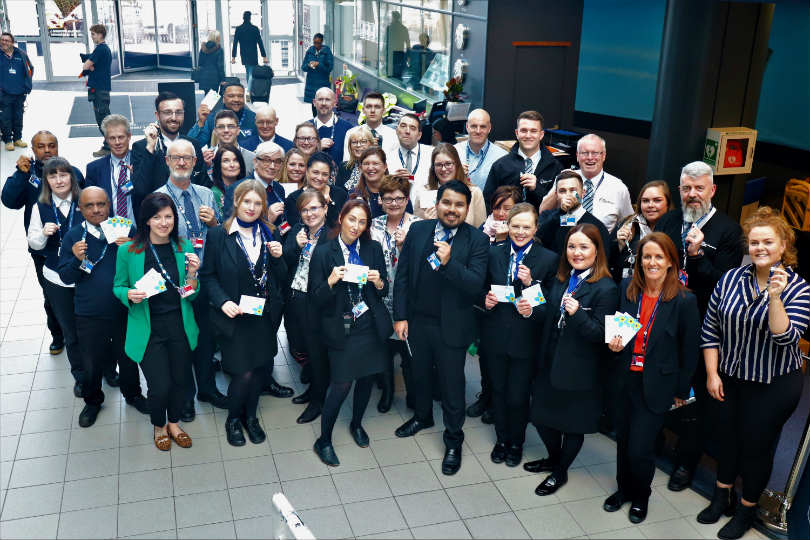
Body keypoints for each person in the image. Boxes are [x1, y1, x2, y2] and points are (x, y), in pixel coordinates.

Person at [698, 207, 809, 539]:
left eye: (768, 242)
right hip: (730, 376)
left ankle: (747, 510)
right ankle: (722, 496)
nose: (760, 248)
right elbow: (710, 330)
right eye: (755, 242)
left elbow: (786, 336)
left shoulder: (798, 288)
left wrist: (775, 297)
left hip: (774, 384)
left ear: (782, 245)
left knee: (756, 447)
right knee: (727, 438)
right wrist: (712, 374)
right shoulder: (731, 278)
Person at [656, 161, 744, 492]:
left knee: (693, 398)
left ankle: (685, 463)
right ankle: (654, 441)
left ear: (712, 190)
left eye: (699, 189)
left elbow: (725, 282)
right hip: (662, 317)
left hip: (701, 328)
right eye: (686, 188)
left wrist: (696, 256)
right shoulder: (669, 220)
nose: (692, 195)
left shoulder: (728, 230)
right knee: (658, 382)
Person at [393, 180, 489, 475]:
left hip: (453, 326)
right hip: (418, 321)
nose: (452, 210)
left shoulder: (477, 240)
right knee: (418, 374)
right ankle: (423, 417)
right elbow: (404, 276)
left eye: (460, 205)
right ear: (437, 204)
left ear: (467, 208)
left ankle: (453, 439)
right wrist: (400, 315)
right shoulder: (419, 230)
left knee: (451, 384)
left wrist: (448, 264)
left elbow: (474, 285)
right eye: (447, 203)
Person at [605, 232, 699, 524]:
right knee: (622, 441)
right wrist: (613, 344)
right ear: (639, 260)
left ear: (671, 262)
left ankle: (641, 495)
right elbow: (617, 331)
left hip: (657, 385)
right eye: (647, 256)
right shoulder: (627, 289)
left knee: (640, 447)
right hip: (625, 379)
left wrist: (682, 388)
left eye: (659, 256)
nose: (652, 262)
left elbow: (690, 348)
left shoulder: (684, 301)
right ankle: (623, 490)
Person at [526, 223, 618, 495]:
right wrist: (531, 301)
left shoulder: (606, 288)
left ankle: (560, 471)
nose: (576, 253)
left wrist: (578, 313)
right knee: (542, 418)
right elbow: (549, 314)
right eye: (571, 246)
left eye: (583, 247)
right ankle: (554, 458)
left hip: (580, 369)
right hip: (550, 361)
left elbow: (601, 334)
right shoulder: (562, 279)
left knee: (572, 425)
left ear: (597, 250)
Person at [201, 180, 288, 446]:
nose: (251, 207)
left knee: (260, 369)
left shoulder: (270, 233)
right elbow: (208, 276)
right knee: (243, 372)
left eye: (257, 202)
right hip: (234, 317)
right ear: (236, 202)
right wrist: (222, 301)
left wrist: (279, 257)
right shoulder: (218, 235)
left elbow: (281, 278)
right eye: (246, 201)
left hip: (262, 316)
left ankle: (251, 417)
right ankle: (233, 420)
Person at [113, 193, 200, 451]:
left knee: (181, 381)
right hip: (148, 328)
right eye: (157, 217)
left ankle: (174, 423)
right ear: (146, 221)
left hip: (180, 325)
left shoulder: (184, 246)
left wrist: (193, 275)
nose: (164, 222)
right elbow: (118, 286)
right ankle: (159, 425)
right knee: (160, 385)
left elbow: (191, 293)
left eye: (169, 216)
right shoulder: (128, 251)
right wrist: (127, 294)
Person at [309, 200, 392, 466]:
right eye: (352, 219)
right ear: (341, 217)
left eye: (362, 222)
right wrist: (331, 280)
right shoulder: (324, 252)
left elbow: (383, 291)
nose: (356, 226)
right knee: (342, 383)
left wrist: (379, 282)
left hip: (368, 321)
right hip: (342, 322)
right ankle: (323, 439)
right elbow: (315, 298)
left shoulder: (373, 248)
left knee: (366, 377)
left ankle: (356, 423)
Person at [58, 187, 149, 427]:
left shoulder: (125, 227)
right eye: (89, 205)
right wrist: (77, 260)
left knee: (128, 357)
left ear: (109, 205)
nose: (96, 210)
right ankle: (93, 400)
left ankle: (134, 395)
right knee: (91, 361)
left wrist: (133, 246)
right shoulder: (73, 237)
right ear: (80, 208)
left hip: (124, 308)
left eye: (101, 204)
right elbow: (66, 278)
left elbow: (146, 263)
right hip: (89, 312)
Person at [481, 203, 558, 467]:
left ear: (536, 228)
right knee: (499, 393)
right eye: (516, 226)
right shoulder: (494, 253)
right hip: (495, 337)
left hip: (526, 340)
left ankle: (516, 443)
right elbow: (479, 291)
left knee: (518, 396)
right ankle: (501, 440)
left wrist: (530, 284)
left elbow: (551, 305)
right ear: (507, 226)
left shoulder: (548, 259)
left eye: (527, 227)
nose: (520, 232)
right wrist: (485, 302)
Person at [155, 139, 228, 418]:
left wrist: (214, 223)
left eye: (187, 158)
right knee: (181, 340)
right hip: (177, 280)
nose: (182, 163)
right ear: (167, 161)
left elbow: (220, 232)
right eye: (176, 158)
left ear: (196, 162)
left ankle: (207, 389)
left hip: (206, 276)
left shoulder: (206, 194)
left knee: (206, 338)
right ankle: (184, 397)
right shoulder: (158, 197)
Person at [2, 131, 85, 355]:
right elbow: (9, 201)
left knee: (80, 291)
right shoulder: (26, 173)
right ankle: (58, 335)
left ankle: (81, 334)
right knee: (52, 296)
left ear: (58, 147)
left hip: (77, 250)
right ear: (33, 149)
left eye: (51, 145)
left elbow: (87, 202)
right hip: (44, 250)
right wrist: (20, 174)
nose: (47, 150)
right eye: (41, 146)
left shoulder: (72, 173)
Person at [27, 157, 85, 396]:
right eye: (53, 176)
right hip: (56, 278)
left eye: (64, 174)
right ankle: (81, 376)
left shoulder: (86, 201)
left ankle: (107, 370)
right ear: (47, 181)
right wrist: (42, 233)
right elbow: (34, 243)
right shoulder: (39, 207)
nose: (59, 180)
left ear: (72, 177)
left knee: (95, 327)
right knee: (70, 332)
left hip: (86, 275)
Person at [369, 175, 421, 412]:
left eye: (399, 198)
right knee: (383, 351)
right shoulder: (373, 226)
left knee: (409, 352)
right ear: (380, 200)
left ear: (407, 199)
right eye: (387, 198)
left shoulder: (418, 226)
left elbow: (423, 265)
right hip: (379, 296)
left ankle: (413, 394)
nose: (393, 203)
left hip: (407, 300)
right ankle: (388, 393)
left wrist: (404, 247)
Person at [282, 190, 331, 423]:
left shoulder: (333, 236)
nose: (310, 213)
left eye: (314, 208)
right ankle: (313, 390)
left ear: (325, 209)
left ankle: (318, 401)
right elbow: (284, 263)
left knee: (320, 353)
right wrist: (295, 247)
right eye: (305, 209)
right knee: (308, 350)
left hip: (320, 303)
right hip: (297, 300)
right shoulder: (296, 232)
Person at [540, 134, 633, 233]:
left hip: (601, 244)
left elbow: (629, 222)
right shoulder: (566, 178)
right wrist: (560, 184)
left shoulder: (618, 188)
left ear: (604, 156)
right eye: (584, 153)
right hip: (564, 241)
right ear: (577, 156)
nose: (589, 157)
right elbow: (543, 212)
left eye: (595, 153)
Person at [132, 92, 210, 192]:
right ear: (157, 115)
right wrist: (150, 148)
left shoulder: (193, 145)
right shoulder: (142, 147)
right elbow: (140, 189)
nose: (173, 118)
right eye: (167, 112)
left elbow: (204, 184)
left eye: (178, 112)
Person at [483, 110, 562, 210]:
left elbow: (558, 206)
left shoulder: (555, 167)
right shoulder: (500, 165)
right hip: (507, 224)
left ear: (541, 135)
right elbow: (488, 202)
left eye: (533, 131)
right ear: (517, 133)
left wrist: (537, 189)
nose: (528, 135)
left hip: (542, 224)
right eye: (524, 130)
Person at [85, 115, 148, 223]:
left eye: (121, 137)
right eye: (112, 138)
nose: (117, 142)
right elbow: (89, 204)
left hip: (139, 231)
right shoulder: (94, 169)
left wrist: (136, 178)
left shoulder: (143, 163)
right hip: (108, 232)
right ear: (106, 140)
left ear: (129, 136)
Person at [537, 170, 611, 257]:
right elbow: (538, 240)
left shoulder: (597, 226)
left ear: (583, 193)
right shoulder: (547, 217)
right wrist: (561, 212)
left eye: (573, 190)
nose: (568, 195)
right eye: (562, 191)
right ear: (556, 195)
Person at [609, 180, 673, 281]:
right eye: (645, 201)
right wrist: (617, 245)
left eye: (657, 200)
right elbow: (608, 262)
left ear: (668, 203)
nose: (650, 205)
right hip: (626, 290)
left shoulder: (676, 228)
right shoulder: (627, 224)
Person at [414, 143, 486, 227]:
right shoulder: (423, 192)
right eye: (439, 165)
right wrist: (427, 224)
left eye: (448, 164)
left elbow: (481, 231)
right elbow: (417, 232)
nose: (444, 169)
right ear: (433, 168)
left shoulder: (474, 192)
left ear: (457, 164)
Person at [284, 152, 348, 229]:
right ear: (307, 171)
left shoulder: (340, 194)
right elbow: (296, 228)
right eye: (315, 172)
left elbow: (342, 225)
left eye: (324, 174)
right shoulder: (294, 198)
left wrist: (330, 205)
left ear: (329, 175)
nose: (319, 178)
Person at [454, 109, 508, 192]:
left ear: (489, 128)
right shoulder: (453, 152)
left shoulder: (502, 157)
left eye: (483, 126)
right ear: (467, 127)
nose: (478, 131)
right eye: (474, 126)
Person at [350, 148, 413, 219]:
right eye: (366, 164)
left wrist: (387, 206)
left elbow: (409, 220)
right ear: (361, 168)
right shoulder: (354, 194)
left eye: (375, 163)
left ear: (385, 166)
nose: (370, 168)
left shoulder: (399, 191)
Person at [189, 82, 256, 147]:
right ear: (223, 99)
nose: (236, 99)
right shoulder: (211, 118)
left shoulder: (253, 118)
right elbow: (193, 145)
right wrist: (201, 122)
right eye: (231, 96)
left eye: (240, 96)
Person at [80, 25, 112, 157]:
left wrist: (90, 65)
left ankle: (109, 147)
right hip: (100, 89)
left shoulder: (100, 49)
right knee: (105, 119)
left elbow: (86, 65)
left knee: (103, 120)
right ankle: (109, 145)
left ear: (100, 34)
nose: (92, 37)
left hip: (100, 90)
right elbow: (92, 66)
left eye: (93, 34)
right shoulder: (103, 49)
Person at [0, 32, 33, 152]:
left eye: (7, 40)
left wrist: (27, 86)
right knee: (6, 118)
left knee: (18, 117)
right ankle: (8, 140)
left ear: (12, 42)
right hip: (4, 94)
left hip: (19, 93)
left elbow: (30, 70)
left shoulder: (21, 54)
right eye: (2, 40)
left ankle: (18, 139)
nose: (4, 42)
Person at [201, 110, 256, 180]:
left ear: (238, 130)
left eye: (231, 126)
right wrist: (205, 167)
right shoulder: (206, 157)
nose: (226, 130)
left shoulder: (252, 158)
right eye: (221, 127)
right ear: (215, 131)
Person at [385, 113, 433, 192]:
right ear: (397, 131)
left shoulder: (431, 154)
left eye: (413, 128)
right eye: (403, 126)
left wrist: (411, 178)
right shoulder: (387, 157)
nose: (407, 131)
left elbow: (435, 183)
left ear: (419, 135)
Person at [342, 92, 397, 157]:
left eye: (377, 107)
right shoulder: (351, 133)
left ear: (384, 111)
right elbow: (347, 163)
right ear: (363, 110)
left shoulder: (394, 135)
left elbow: (394, 164)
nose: (373, 110)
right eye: (369, 107)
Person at [310, 87, 353, 164]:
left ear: (335, 103)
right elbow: (299, 157)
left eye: (327, 100)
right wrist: (316, 148)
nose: (323, 103)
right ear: (314, 102)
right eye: (320, 99)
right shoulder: (305, 128)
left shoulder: (348, 128)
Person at [231, 10, 267, 92]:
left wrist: (233, 57)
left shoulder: (239, 29)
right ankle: (248, 92)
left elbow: (235, 43)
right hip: (253, 54)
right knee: (251, 73)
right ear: (250, 18)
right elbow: (260, 43)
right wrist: (264, 56)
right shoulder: (254, 29)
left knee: (248, 72)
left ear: (243, 18)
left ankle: (249, 90)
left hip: (244, 54)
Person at [212, 144, 248, 220]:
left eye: (235, 160)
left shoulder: (249, 189)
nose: (232, 165)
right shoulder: (213, 194)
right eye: (226, 161)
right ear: (218, 165)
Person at [302, 34, 333, 113]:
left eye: (318, 43)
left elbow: (329, 68)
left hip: (323, 84)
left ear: (322, 42)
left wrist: (319, 64)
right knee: (314, 107)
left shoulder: (327, 52)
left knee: (323, 107)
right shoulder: (310, 51)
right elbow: (303, 67)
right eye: (314, 42)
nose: (316, 45)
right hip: (311, 84)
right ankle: (316, 124)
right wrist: (309, 65)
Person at [337, 125, 375, 192]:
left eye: (363, 142)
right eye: (354, 142)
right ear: (350, 146)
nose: (358, 145)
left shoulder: (377, 167)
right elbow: (338, 193)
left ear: (371, 144)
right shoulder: (343, 167)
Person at [385, 12, 409, 79]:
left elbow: (385, 41)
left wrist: (383, 52)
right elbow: (408, 44)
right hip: (399, 52)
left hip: (391, 53)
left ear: (393, 17)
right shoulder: (404, 28)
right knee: (398, 74)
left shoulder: (389, 28)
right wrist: (407, 55)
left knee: (390, 73)